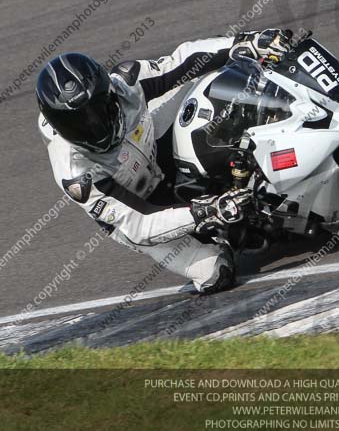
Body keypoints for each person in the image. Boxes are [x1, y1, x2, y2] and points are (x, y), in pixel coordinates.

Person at [35, 29, 291, 293]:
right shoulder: (76, 173)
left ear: (109, 93)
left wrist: (244, 43)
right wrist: (205, 212)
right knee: (215, 272)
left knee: (213, 84)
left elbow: (181, 61)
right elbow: (139, 224)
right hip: (143, 207)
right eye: (77, 124)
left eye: (98, 111)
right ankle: (222, 226)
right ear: (57, 126)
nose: (93, 126)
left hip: (152, 149)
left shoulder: (124, 84)